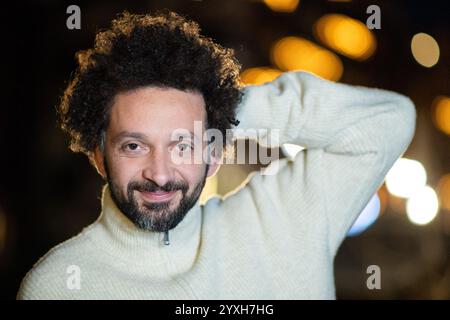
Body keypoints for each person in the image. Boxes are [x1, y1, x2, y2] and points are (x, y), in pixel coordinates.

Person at [17, 10, 416, 299]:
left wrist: (222, 110)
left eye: (183, 144)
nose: (159, 173)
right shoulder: (57, 286)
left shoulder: (286, 221)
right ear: (98, 155)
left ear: (216, 152)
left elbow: (390, 120)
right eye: (134, 145)